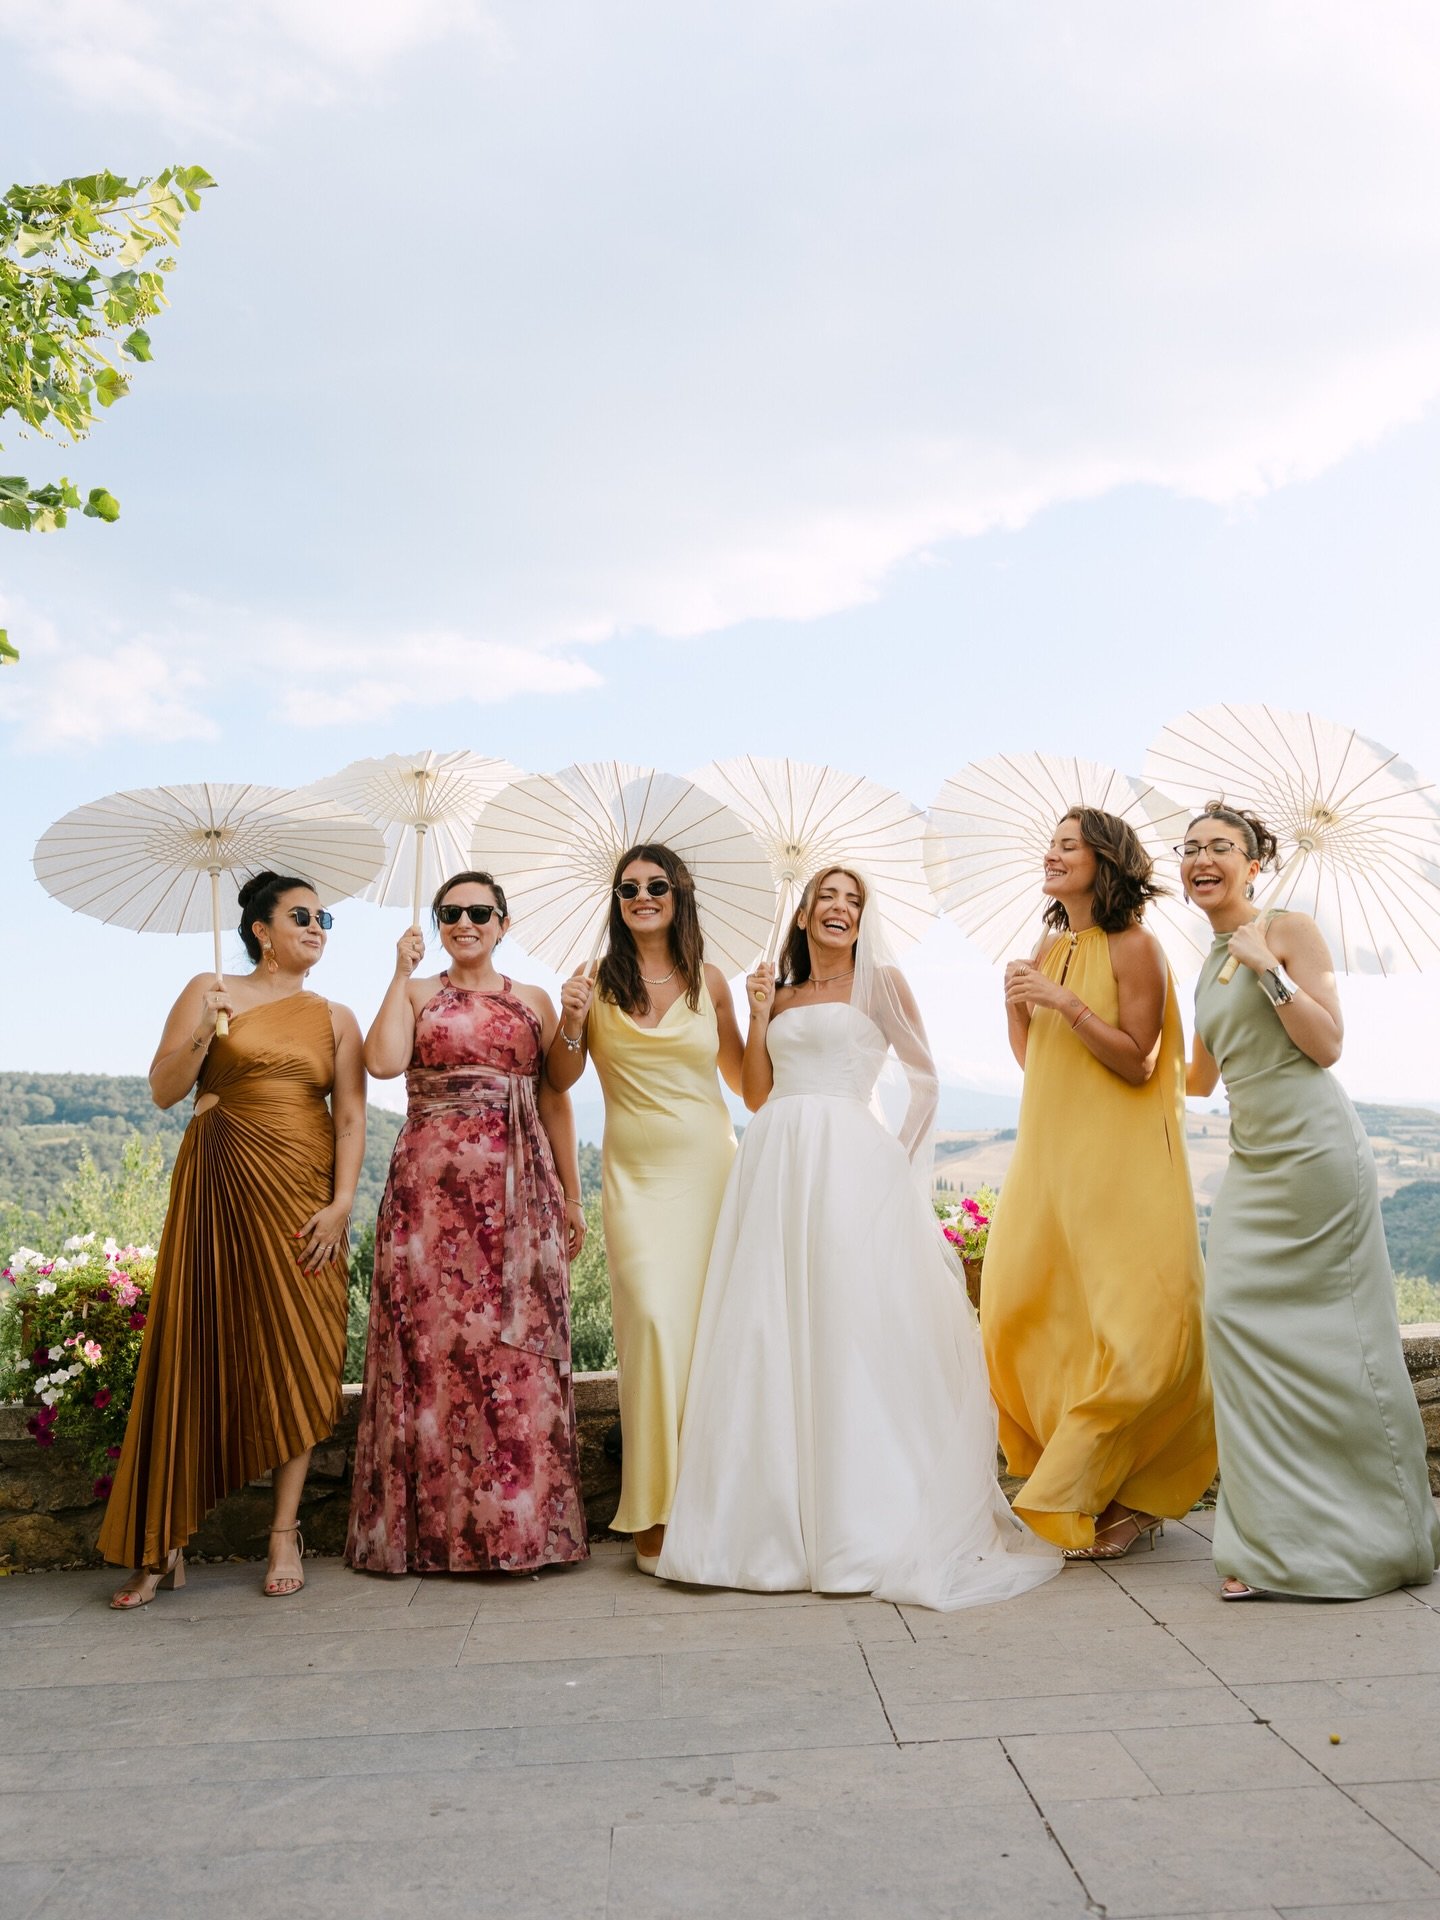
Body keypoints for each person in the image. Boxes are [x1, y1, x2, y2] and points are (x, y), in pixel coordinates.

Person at [657, 868, 1063, 1608]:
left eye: (854, 901)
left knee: (850, 1329)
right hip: (775, 1161)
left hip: (851, 1158)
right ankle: (763, 1533)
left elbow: (926, 1082)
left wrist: (895, 1165)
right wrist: (754, 1015)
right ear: (805, 912)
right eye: (828, 898)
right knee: (765, 1330)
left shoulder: (884, 984)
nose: (841, 909)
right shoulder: (775, 991)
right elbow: (754, 1093)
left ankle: (861, 1527)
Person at [1182, 805, 1440, 1599]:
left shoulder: (1287, 929)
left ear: (1256, 863)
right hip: (1253, 1163)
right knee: (1230, 1320)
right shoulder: (1204, 962)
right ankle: (1272, 1537)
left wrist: (1270, 967)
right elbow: (1195, 1082)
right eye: (1189, 849)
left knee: (1339, 1339)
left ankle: (1374, 1532)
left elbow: (1326, 1044)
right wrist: (1071, 1019)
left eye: (1220, 847)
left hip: (1318, 1155)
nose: (1202, 859)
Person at [101, 872, 365, 1606]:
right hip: (218, 1186)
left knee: (301, 1352)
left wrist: (344, 1202)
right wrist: (199, 1031)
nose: (317, 927)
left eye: (324, 918)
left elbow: (349, 1117)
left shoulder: (339, 1016)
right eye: (302, 915)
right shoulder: (208, 988)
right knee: (200, 1345)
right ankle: (166, 1541)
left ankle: (284, 1530)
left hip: (304, 1197)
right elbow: (162, 1090)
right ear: (261, 929)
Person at [981, 810, 1216, 1559]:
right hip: (1052, 1158)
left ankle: (1127, 1496)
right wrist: (1018, 1007)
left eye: (1067, 845)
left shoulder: (1136, 946)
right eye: (1048, 843)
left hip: (1121, 1163)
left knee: (1130, 1330)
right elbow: (1038, 1064)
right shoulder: (1049, 946)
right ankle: (1086, 1478)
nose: (1049, 853)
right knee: (1026, 1313)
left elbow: (1139, 1061)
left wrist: (1064, 1002)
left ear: (1104, 861)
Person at [347, 872, 589, 1575]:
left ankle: (517, 1530)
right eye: (451, 912)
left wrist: (572, 1023)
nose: (465, 921)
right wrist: (399, 971)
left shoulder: (534, 999)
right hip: (430, 1200)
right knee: (431, 1351)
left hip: (519, 1191)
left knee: (513, 1352)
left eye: (480, 911)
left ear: (503, 923)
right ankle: (431, 1537)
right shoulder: (419, 992)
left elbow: (560, 1092)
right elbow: (383, 1061)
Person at [548, 844, 742, 1572]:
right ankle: (654, 1509)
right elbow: (558, 1080)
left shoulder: (711, 983)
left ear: (679, 893)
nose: (642, 896)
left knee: (712, 1337)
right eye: (629, 888)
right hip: (635, 1179)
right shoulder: (593, 983)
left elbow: (751, 1087)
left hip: (712, 1171)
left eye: (656, 885)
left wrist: (768, 1010)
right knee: (654, 1325)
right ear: (617, 901)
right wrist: (570, 1021)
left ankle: (716, 1499)